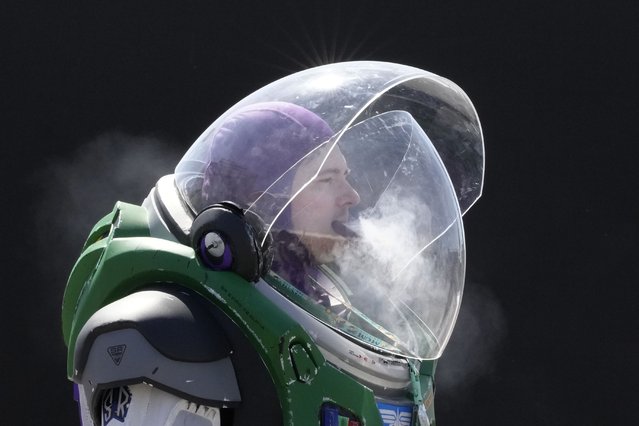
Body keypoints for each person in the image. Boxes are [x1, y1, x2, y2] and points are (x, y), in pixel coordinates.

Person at [200, 101, 360, 303]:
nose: (353, 197)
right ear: (263, 203)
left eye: (345, 176)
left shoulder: (307, 289)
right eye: (327, 179)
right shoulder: (180, 318)